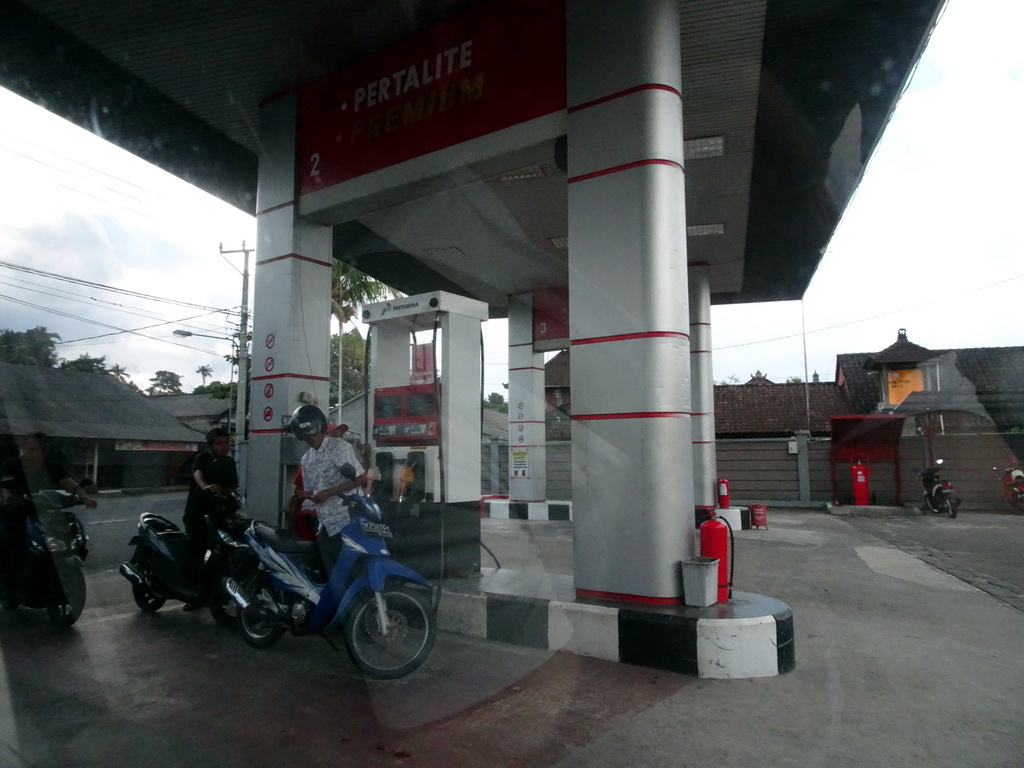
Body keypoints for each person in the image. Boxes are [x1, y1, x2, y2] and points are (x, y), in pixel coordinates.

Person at [0, 433, 97, 608]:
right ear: (22, 449)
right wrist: (10, 497)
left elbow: (69, 484)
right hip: (16, 514)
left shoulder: (52, 467)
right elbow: (7, 489)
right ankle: (8, 587)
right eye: (30, 449)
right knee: (10, 541)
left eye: (38, 449)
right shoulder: (12, 466)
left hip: (48, 515)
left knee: (75, 537)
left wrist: (84, 498)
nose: (33, 453)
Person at [289, 405, 367, 573]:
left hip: (349, 520)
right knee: (332, 571)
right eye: (307, 437)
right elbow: (313, 490)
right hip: (326, 524)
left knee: (355, 569)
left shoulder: (339, 447)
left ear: (322, 430)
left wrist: (330, 492)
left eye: (314, 434)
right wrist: (307, 495)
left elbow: (361, 478)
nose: (312, 439)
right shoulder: (307, 459)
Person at [181, 427, 237, 606]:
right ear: (210, 445)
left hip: (218, 514)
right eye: (219, 443)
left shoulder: (228, 462)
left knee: (222, 552)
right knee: (195, 551)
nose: (224, 447)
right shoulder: (202, 458)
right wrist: (205, 486)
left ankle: (216, 590)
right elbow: (197, 474)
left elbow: (232, 485)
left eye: (226, 443)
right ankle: (192, 594)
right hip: (197, 512)